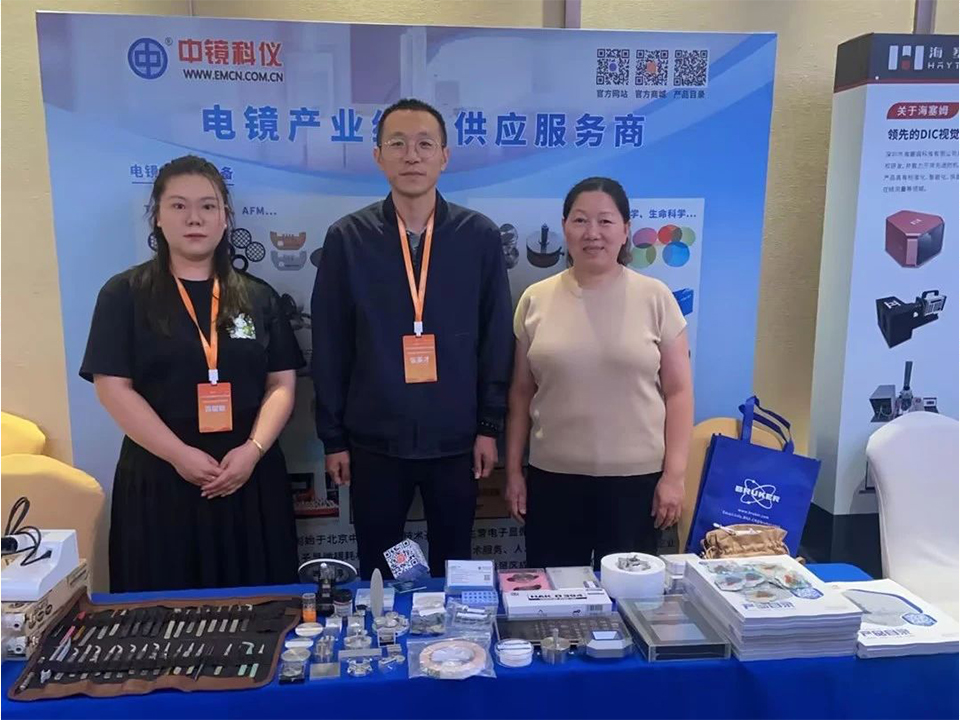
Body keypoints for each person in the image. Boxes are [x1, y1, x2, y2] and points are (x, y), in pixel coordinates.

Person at [311, 98, 513, 579]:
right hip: (373, 442)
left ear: (445, 156)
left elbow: (495, 339)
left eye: (425, 144)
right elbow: (331, 344)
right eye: (397, 144)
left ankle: (453, 632)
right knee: (381, 568)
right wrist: (334, 438)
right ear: (378, 156)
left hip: (457, 441)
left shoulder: (478, 237)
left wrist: (489, 427)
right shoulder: (348, 239)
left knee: (453, 564)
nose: (412, 156)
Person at [80, 155, 303, 592]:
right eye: (179, 206)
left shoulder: (258, 297)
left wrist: (253, 451)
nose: (194, 218)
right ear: (157, 216)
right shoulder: (124, 294)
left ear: (225, 218)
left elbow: (282, 383)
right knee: (163, 614)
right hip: (160, 478)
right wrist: (179, 455)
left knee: (261, 610)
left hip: (247, 476)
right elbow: (113, 388)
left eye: (208, 206)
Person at [504, 177, 693, 568]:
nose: (593, 233)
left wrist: (674, 477)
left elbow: (679, 392)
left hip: (636, 485)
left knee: (629, 597)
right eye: (580, 220)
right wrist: (513, 472)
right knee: (554, 596)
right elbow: (521, 393)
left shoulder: (655, 297)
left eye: (605, 221)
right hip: (552, 480)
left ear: (625, 230)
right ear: (564, 227)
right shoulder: (534, 299)